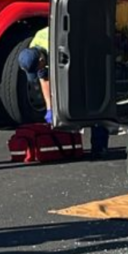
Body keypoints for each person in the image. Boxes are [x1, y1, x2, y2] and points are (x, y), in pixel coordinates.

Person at [19, 25, 110, 157]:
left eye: (38, 66)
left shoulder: (57, 46)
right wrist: (50, 109)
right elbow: (43, 77)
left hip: (88, 50)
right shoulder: (35, 46)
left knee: (95, 101)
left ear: (41, 59)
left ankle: (100, 146)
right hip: (71, 52)